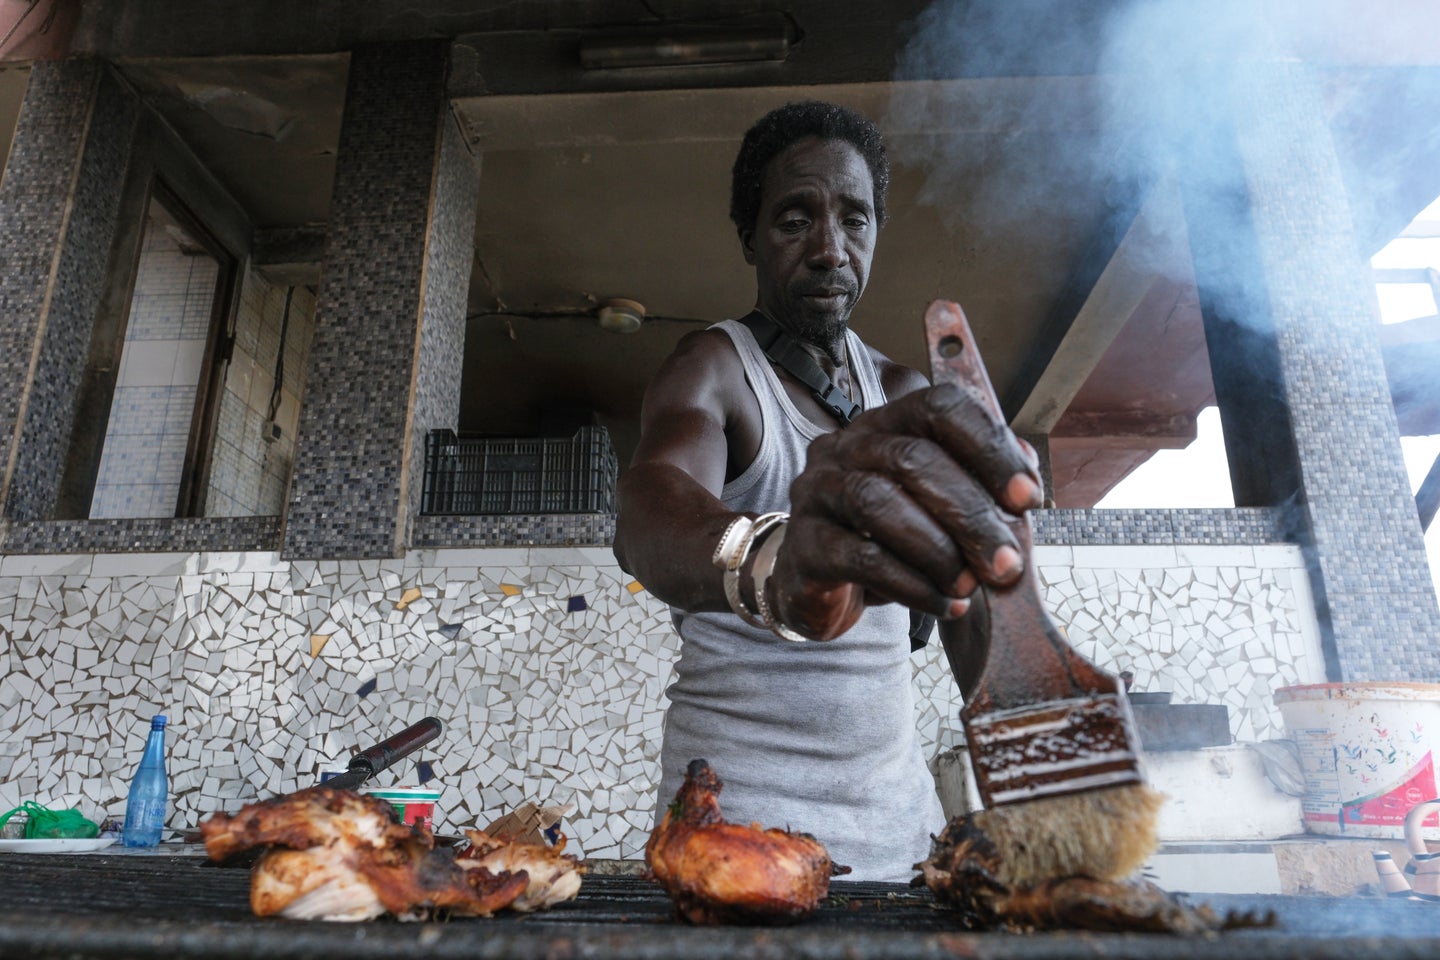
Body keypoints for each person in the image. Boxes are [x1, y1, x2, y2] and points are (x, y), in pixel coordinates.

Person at [612, 101, 1041, 882]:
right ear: (749, 237)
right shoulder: (714, 368)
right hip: (734, 840)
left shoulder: (907, 391)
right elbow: (648, 512)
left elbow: (975, 607)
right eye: (794, 221)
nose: (829, 250)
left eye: (854, 219)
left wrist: (1027, 715)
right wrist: (772, 559)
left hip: (900, 836)